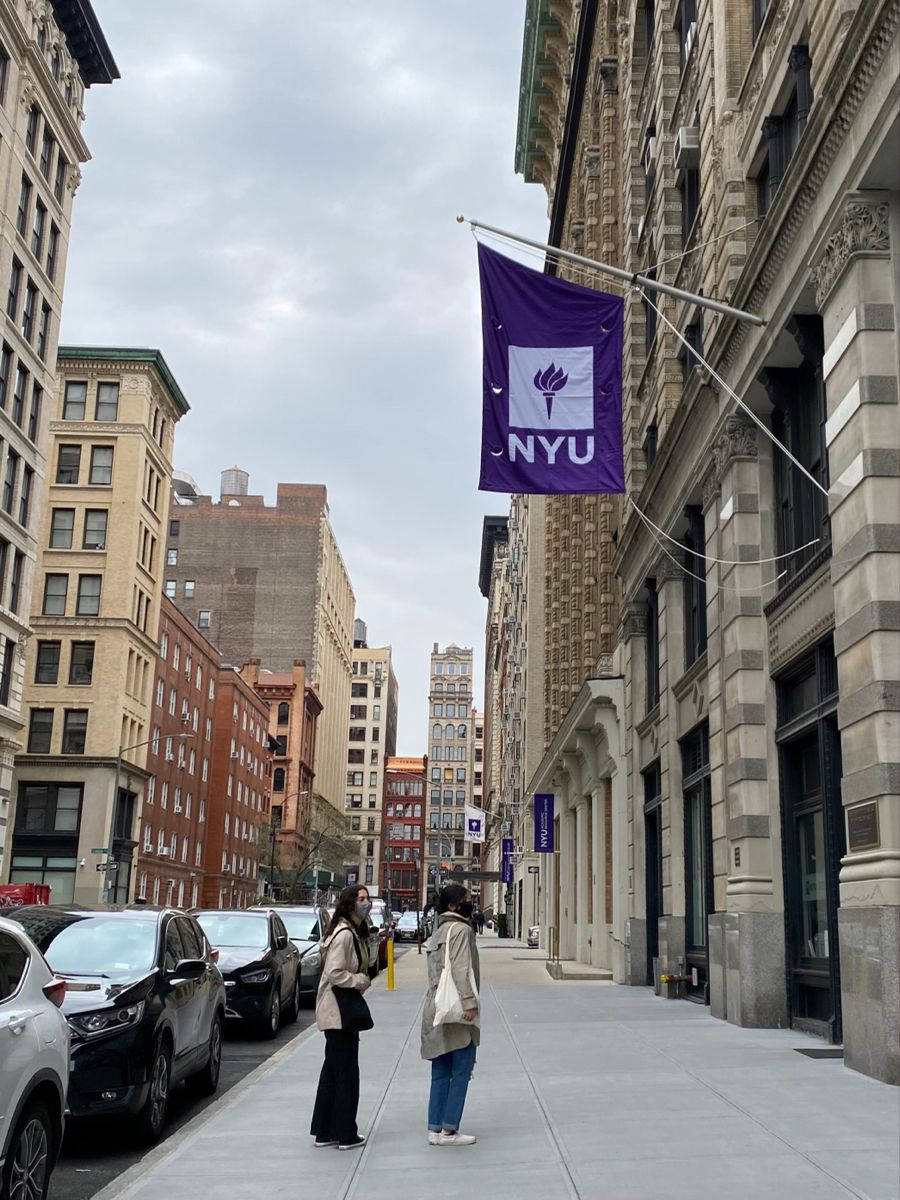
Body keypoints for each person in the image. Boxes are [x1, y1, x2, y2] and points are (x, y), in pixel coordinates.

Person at [310, 885, 373, 1150]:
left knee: (333, 1072)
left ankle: (325, 1130)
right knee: (346, 1073)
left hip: (336, 1011)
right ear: (349, 904)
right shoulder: (345, 935)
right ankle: (345, 1133)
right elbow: (336, 972)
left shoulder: (347, 931)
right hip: (339, 1012)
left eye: (368, 899)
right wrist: (359, 980)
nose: (366, 903)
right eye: (361, 899)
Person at [421, 883, 480, 1146]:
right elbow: (460, 969)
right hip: (456, 1008)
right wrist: (469, 1003)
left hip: (436, 1005)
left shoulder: (439, 931)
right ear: (455, 905)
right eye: (467, 899)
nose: (471, 902)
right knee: (462, 1067)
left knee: (441, 1068)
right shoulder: (462, 930)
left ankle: (434, 1128)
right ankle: (449, 1129)